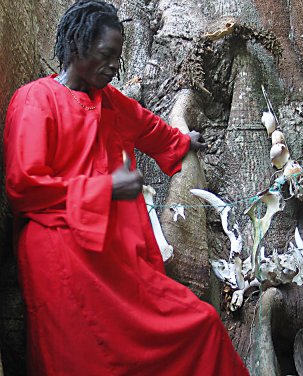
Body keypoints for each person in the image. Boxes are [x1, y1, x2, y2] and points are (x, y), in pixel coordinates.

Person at [3, 1, 249, 375]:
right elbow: (24, 186)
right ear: (77, 47)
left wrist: (185, 141)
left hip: (115, 258)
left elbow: (152, 129)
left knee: (199, 323)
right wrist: (104, 188)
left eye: (118, 57)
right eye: (107, 55)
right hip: (61, 253)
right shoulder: (35, 99)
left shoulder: (111, 102)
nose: (115, 66)